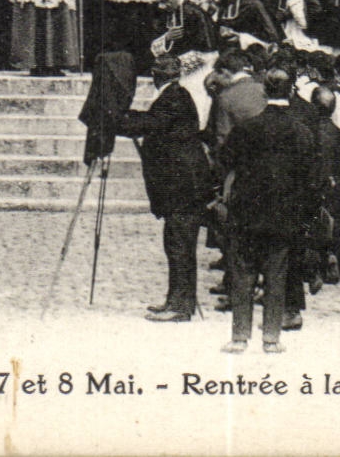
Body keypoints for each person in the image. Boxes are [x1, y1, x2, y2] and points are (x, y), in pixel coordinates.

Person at [218, 70, 319, 354]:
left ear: (264, 92)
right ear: (290, 92)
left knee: (242, 275)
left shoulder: (247, 128)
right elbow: (312, 178)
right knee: (277, 276)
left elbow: (225, 159)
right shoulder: (301, 132)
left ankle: (239, 336)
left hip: (247, 212)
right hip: (284, 214)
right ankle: (272, 338)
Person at [111, 55, 214, 322]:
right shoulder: (175, 95)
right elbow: (150, 119)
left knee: (180, 245)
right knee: (176, 244)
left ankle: (180, 306)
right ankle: (176, 300)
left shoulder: (173, 98)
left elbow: (148, 124)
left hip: (183, 187)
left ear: (157, 75)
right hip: (181, 185)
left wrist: (112, 118)